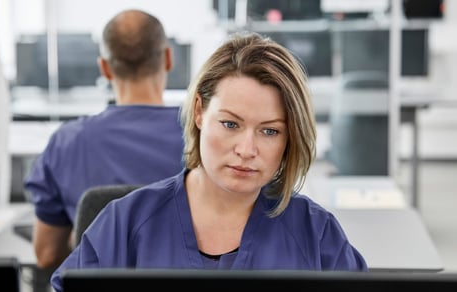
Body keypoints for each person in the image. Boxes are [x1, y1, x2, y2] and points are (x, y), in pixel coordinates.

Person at [50, 31, 367, 291]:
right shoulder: (126, 223)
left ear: (289, 139)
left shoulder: (316, 234)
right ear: (200, 111)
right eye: (230, 124)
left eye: (269, 131)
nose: (246, 149)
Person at [24, 9, 184, 270]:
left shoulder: (66, 143)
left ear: (105, 68)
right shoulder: (206, 137)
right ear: (168, 58)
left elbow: (47, 255)